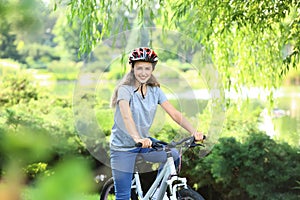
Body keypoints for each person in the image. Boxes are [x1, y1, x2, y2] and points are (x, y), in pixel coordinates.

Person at [110, 47, 204, 200]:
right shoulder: (124, 90)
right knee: (123, 196)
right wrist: (137, 138)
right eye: (139, 68)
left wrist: (194, 132)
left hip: (144, 143)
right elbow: (127, 117)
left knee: (173, 155)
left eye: (147, 68)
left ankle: (156, 195)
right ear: (132, 68)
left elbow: (174, 114)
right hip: (123, 148)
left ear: (152, 69)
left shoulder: (155, 91)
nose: (143, 72)